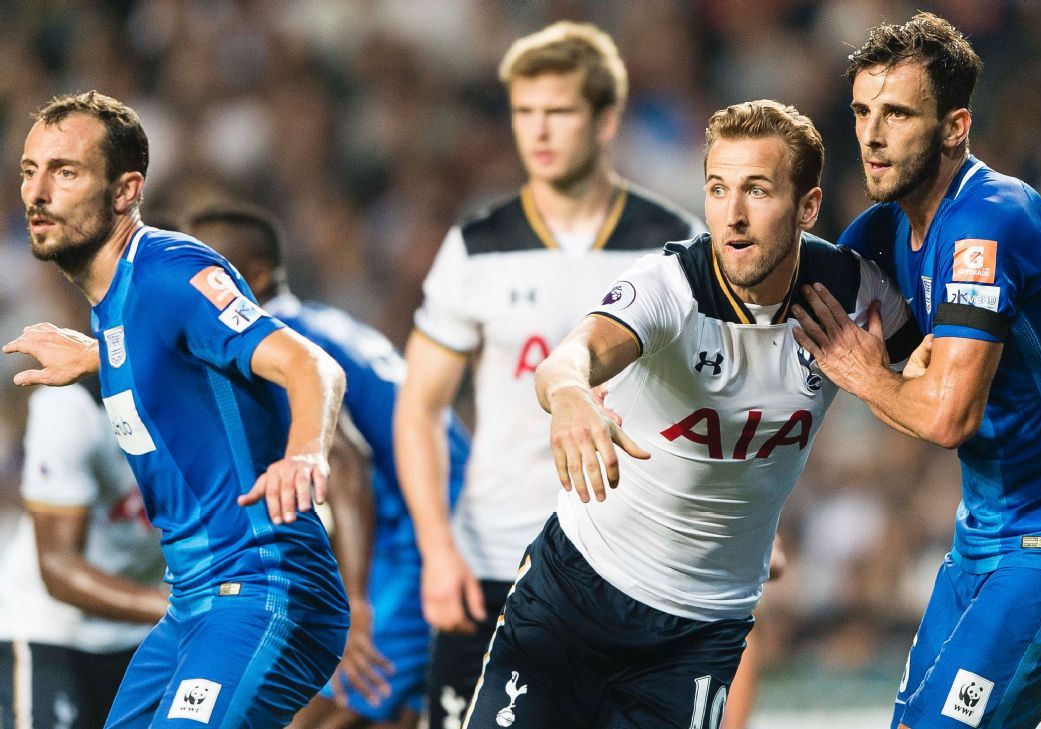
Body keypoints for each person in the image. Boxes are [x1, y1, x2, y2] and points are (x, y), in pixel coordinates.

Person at [462, 99, 918, 729]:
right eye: (717, 188)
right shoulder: (670, 287)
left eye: (756, 190)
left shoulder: (855, 295)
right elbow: (571, 358)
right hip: (576, 594)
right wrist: (569, 397)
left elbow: (937, 399)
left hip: (700, 633)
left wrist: (874, 379)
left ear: (808, 208)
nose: (732, 214)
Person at [790, 13, 1041, 729]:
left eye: (897, 114)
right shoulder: (887, 230)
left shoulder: (990, 220)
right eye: (862, 112)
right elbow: (787, 294)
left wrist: (871, 376)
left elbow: (950, 416)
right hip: (982, 534)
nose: (872, 135)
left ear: (954, 127)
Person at [5, 91, 350, 728]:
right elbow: (181, 371)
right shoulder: (117, 303)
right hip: (194, 599)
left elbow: (312, 365)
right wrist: (100, 360)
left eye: (66, 171)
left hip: (262, 586)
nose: (37, 193)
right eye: (31, 170)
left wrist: (304, 455)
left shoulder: (171, 269)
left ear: (124, 191)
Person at [392, 21, 702, 729]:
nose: (538, 130)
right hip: (495, 556)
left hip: (631, 564)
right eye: (524, 111)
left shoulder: (672, 244)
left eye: (559, 111)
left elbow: (714, 396)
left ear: (606, 120)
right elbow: (419, 408)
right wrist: (438, 551)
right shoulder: (475, 247)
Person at [185, 205, 470, 729]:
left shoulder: (275, 343)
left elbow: (345, 460)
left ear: (259, 274)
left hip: (425, 532)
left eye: (209, 270)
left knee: (321, 706)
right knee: (394, 710)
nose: (188, 282)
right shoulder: (319, 321)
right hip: (430, 514)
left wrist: (355, 604)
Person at [0, 378, 167, 729]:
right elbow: (58, 567)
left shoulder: (214, 405)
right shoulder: (69, 405)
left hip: (142, 637)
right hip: (51, 630)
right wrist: (177, 607)